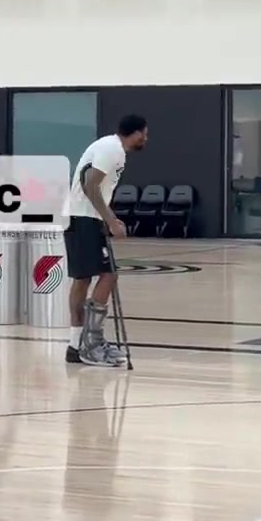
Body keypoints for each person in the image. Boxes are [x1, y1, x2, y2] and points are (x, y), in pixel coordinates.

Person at [63, 114, 148, 367]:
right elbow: (91, 186)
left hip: (83, 217)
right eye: (144, 134)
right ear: (135, 133)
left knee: (83, 279)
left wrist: (107, 217)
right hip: (83, 218)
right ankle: (91, 343)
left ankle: (76, 344)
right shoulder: (113, 149)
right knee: (107, 275)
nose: (146, 139)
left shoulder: (109, 147)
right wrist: (110, 220)